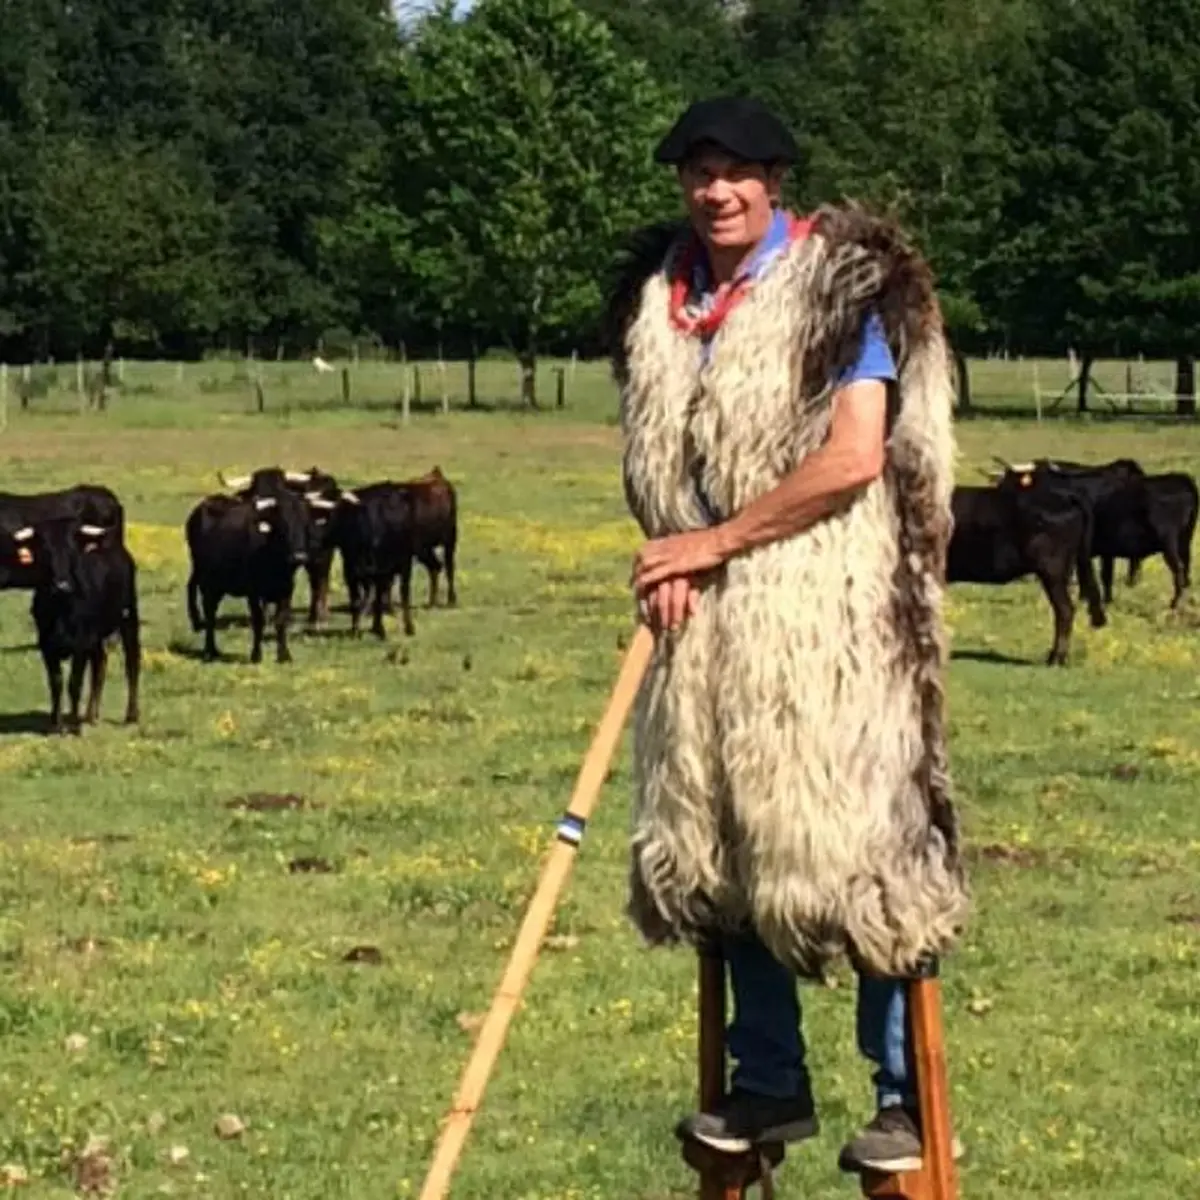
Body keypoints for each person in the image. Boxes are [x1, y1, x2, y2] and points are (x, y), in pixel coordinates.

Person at [603, 95, 970, 1175]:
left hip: (832, 618)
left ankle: (899, 1094)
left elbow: (855, 455)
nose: (717, 191)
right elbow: (663, 468)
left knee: (862, 850)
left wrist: (713, 541)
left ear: (774, 179)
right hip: (709, 628)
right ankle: (768, 1084)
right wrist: (673, 554)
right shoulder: (666, 303)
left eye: (737, 172)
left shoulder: (838, 289)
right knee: (719, 848)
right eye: (698, 172)